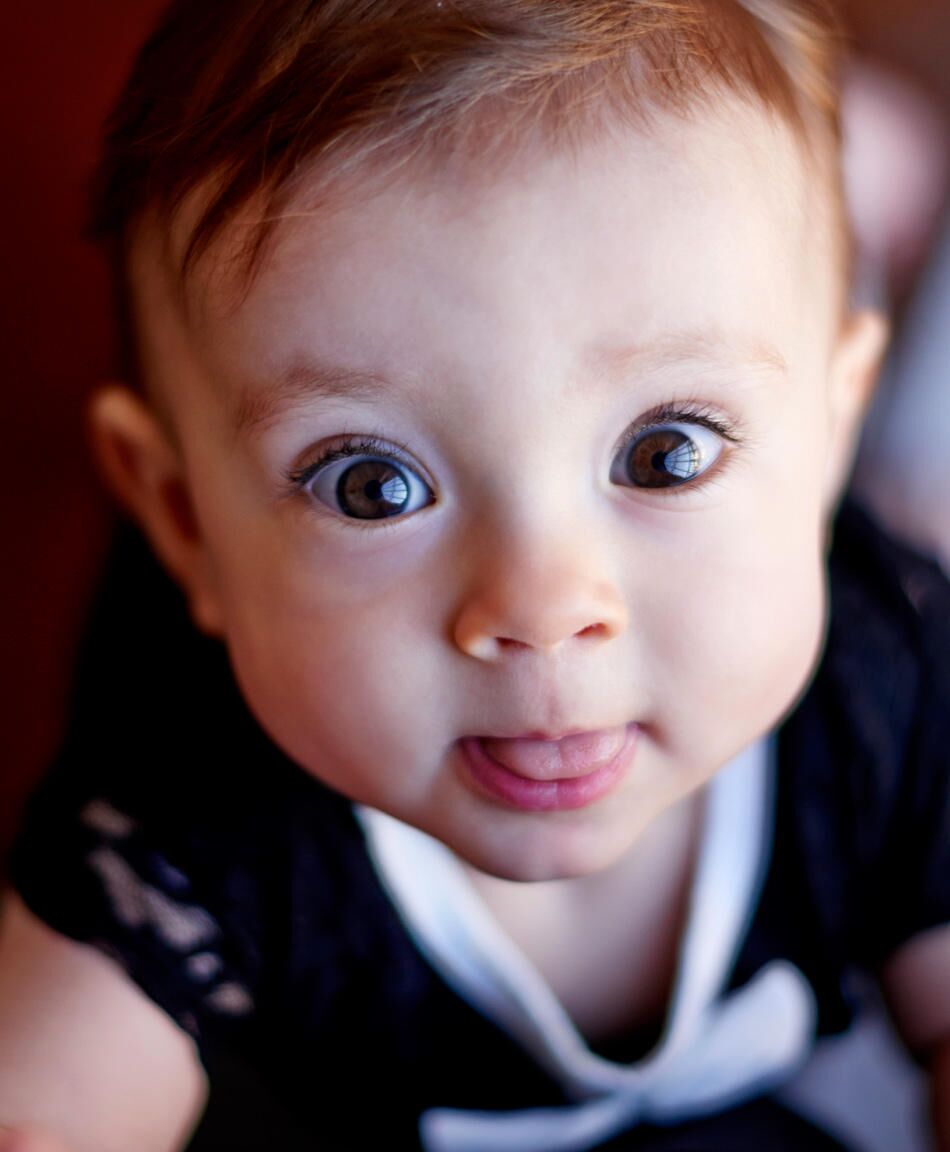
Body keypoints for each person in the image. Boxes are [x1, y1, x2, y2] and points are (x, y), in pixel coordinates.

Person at [0, 1, 948, 1149]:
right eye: (371, 486)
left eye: (666, 454)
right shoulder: (192, 809)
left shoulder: (889, 684)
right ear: (184, 521)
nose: (542, 610)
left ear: (827, 438)